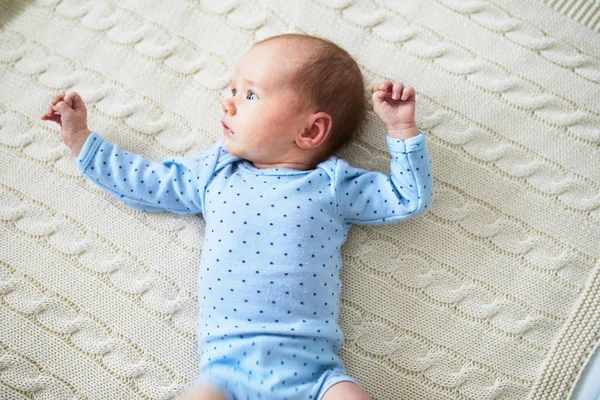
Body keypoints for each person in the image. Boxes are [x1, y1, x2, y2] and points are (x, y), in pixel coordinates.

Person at [41, 33, 433, 400]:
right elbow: (148, 182)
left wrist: (401, 130)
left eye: (250, 94)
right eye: (231, 89)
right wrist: (82, 141)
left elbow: (406, 197)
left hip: (317, 375)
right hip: (225, 374)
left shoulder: (332, 185)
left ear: (311, 130)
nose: (227, 102)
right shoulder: (215, 172)